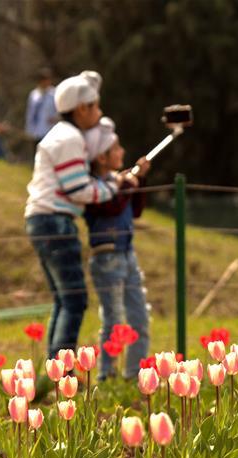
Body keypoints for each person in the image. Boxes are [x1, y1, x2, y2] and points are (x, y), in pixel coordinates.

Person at [25, 74, 137, 361]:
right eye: (96, 108)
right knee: (75, 300)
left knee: (64, 300)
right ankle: (62, 371)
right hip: (55, 221)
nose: (99, 115)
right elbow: (78, 190)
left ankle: (54, 369)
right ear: (82, 109)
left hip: (43, 219)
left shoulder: (60, 135)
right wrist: (113, 186)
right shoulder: (70, 138)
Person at [84, 117, 151, 380]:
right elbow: (109, 207)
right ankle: (106, 374)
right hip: (106, 256)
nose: (122, 152)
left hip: (127, 254)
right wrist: (124, 186)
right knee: (113, 319)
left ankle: (135, 374)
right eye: (116, 149)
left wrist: (139, 182)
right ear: (102, 157)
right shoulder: (95, 188)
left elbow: (134, 210)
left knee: (139, 316)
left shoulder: (118, 182)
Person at [25, 67, 58, 144]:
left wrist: (56, 118)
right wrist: (29, 130)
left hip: (51, 130)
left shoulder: (54, 93)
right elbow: (30, 113)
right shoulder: (34, 95)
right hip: (37, 131)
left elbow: (59, 110)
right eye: (44, 80)